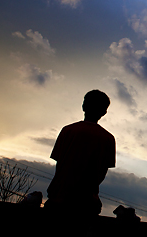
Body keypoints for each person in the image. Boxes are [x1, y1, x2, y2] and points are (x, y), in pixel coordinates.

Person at [45, 89, 116, 217]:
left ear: (83, 106)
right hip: (87, 202)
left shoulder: (68, 131)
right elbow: (103, 171)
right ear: (104, 112)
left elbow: (59, 162)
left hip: (59, 198)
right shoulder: (108, 139)